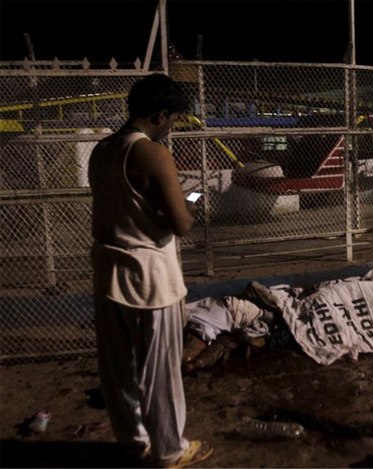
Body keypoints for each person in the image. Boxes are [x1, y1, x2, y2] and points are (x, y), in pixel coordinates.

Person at [88, 74, 213, 467]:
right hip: (149, 279)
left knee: (118, 368)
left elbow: (131, 208)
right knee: (160, 371)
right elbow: (181, 224)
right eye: (173, 119)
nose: (172, 127)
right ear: (160, 115)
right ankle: (171, 452)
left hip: (109, 273)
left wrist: (160, 210)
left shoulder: (102, 150)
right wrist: (191, 200)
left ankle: (132, 440)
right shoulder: (153, 153)